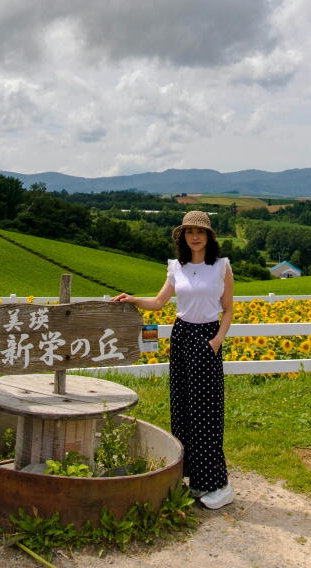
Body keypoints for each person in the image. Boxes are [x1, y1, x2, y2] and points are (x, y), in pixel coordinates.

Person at [114, 209, 234, 508]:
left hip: (206, 337)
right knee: (183, 409)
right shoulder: (176, 267)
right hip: (181, 337)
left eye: (200, 232)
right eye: (189, 232)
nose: (194, 236)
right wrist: (132, 299)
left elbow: (228, 309)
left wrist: (216, 341)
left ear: (208, 236)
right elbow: (158, 302)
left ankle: (219, 484)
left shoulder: (221, 267)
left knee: (207, 413)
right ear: (183, 237)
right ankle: (195, 479)